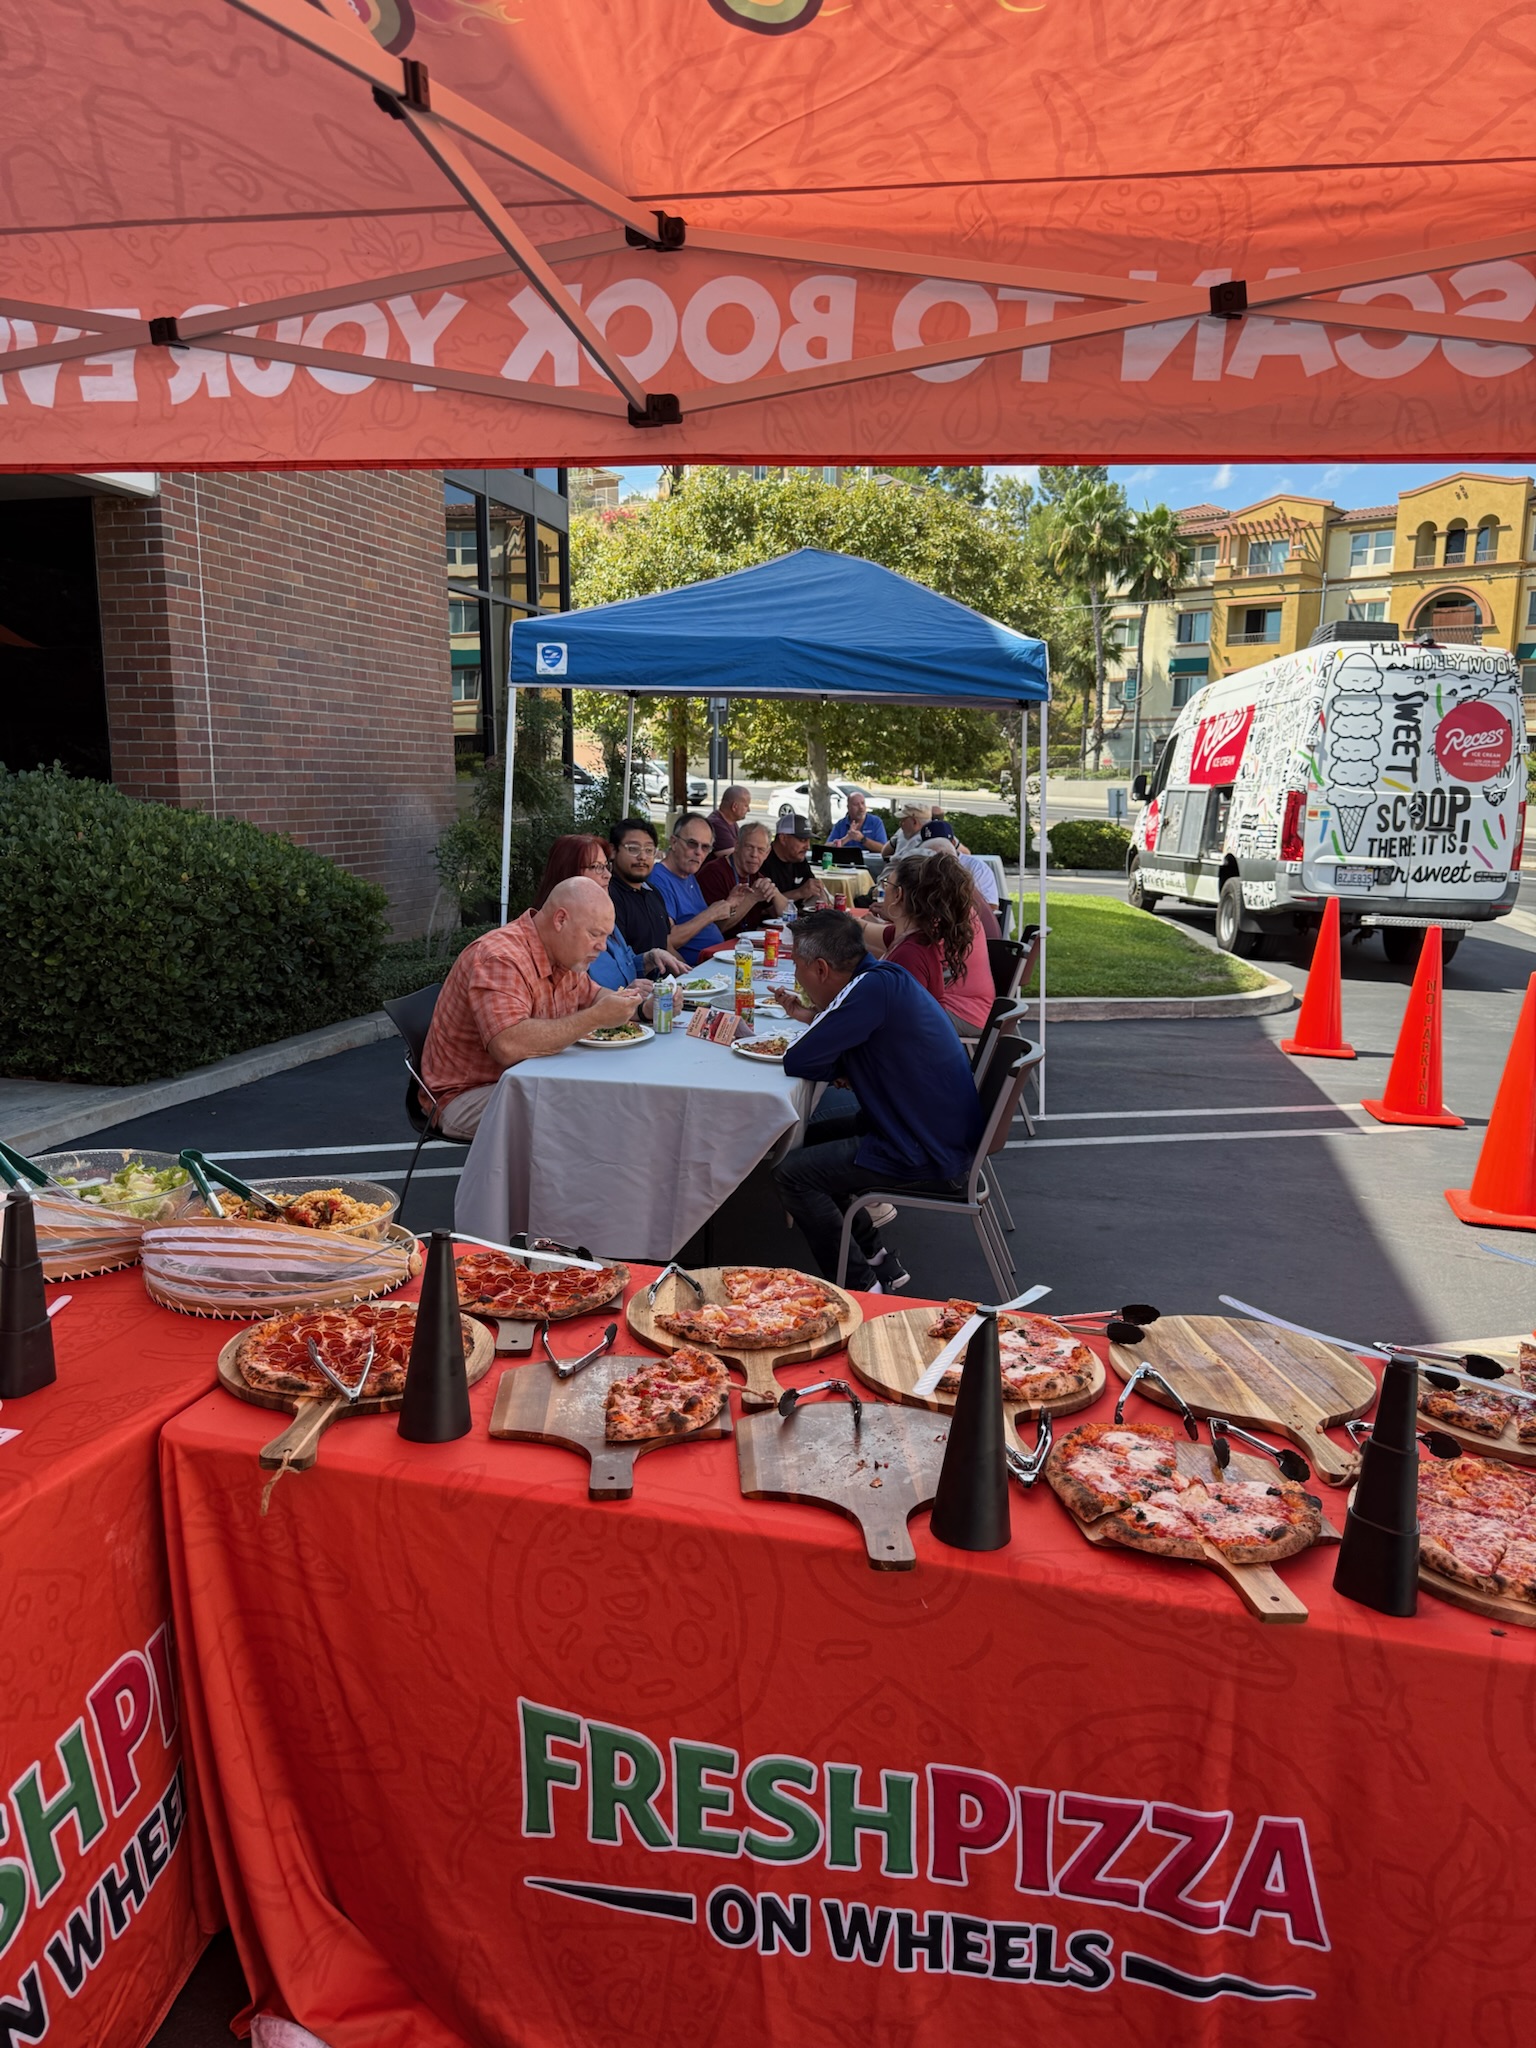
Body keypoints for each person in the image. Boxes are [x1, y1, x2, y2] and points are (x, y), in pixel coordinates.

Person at [774, 911, 984, 1292]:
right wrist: (842, 1063)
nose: (795, 976)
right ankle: (875, 1257)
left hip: (922, 1146)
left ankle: (860, 1287)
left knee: (793, 1174)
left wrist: (840, 1064)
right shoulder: (880, 978)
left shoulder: (868, 991)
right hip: (927, 1128)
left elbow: (799, 1059)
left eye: (797, 966)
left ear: (821, 969)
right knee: (811, 1141)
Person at [421, 877, 647, 1138]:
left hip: (528, 1077)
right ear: (560, 920)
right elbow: (509, 1046)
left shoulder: (565, 953)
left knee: (610, 1094)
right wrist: (595, 1018)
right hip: (468, 1094)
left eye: (606, 936)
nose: (603, 946)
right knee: (586, 1110)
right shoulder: (501, 957)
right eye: (595, 934)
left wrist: (641, 1008)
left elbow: (595, 996)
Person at [862, 853, 994, 1033]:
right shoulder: (945, 914)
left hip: (961, 1011)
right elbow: (880, 936)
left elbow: (898, 1020)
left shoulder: (916, 947)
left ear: (899, 895)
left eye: (887, 885)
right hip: (960, 1010)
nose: (884, 891)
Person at [535, 834, 685, 987]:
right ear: (569, 871)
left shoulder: (601, 914)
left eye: (607, 866)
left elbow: (625, 966)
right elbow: (577, 996)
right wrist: (622, 994)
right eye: (597, 867)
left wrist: (649, 958)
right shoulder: (562, 929)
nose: (607, 875)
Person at [650, 812, 753, 964]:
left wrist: (729, 905)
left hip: (714, 961)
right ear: (674, 842)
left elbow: (707, 928)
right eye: (692, 844)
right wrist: (711, 913)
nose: (698, 852)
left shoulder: (688, 874)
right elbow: (667, 941)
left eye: (705, 847)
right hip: (696, 970)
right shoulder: (658, 879)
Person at [698, 820, 786, 932]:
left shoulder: (757, 877)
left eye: (761, 850)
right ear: (737, 845)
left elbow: (787, 915)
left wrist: (774, 892)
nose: (754, 855)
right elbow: (718, 927)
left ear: (767, 853)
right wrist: (752, 898)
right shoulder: (713, 873)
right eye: (749, 847)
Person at [607, 817, 674, 960]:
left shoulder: (653, 892)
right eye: (633, 849)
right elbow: (617, 960)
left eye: (649, 850)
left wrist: (689, 971)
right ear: (613, 851)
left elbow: (666, 946)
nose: (642, 857)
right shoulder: (608, 896)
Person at [762, 810, 830, 906]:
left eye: (809, 841)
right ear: (783, 839)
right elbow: (763, 909)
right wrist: (799, 893)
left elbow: (815, 892)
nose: (808, 846)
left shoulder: (798, 858)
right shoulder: (762, 861)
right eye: (802, 840)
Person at [706, 784, 751, 855]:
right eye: (746, 806)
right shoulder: (717, 825)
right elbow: (735, 856)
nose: (748, 810)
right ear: (734, 807)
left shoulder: (731, 822)